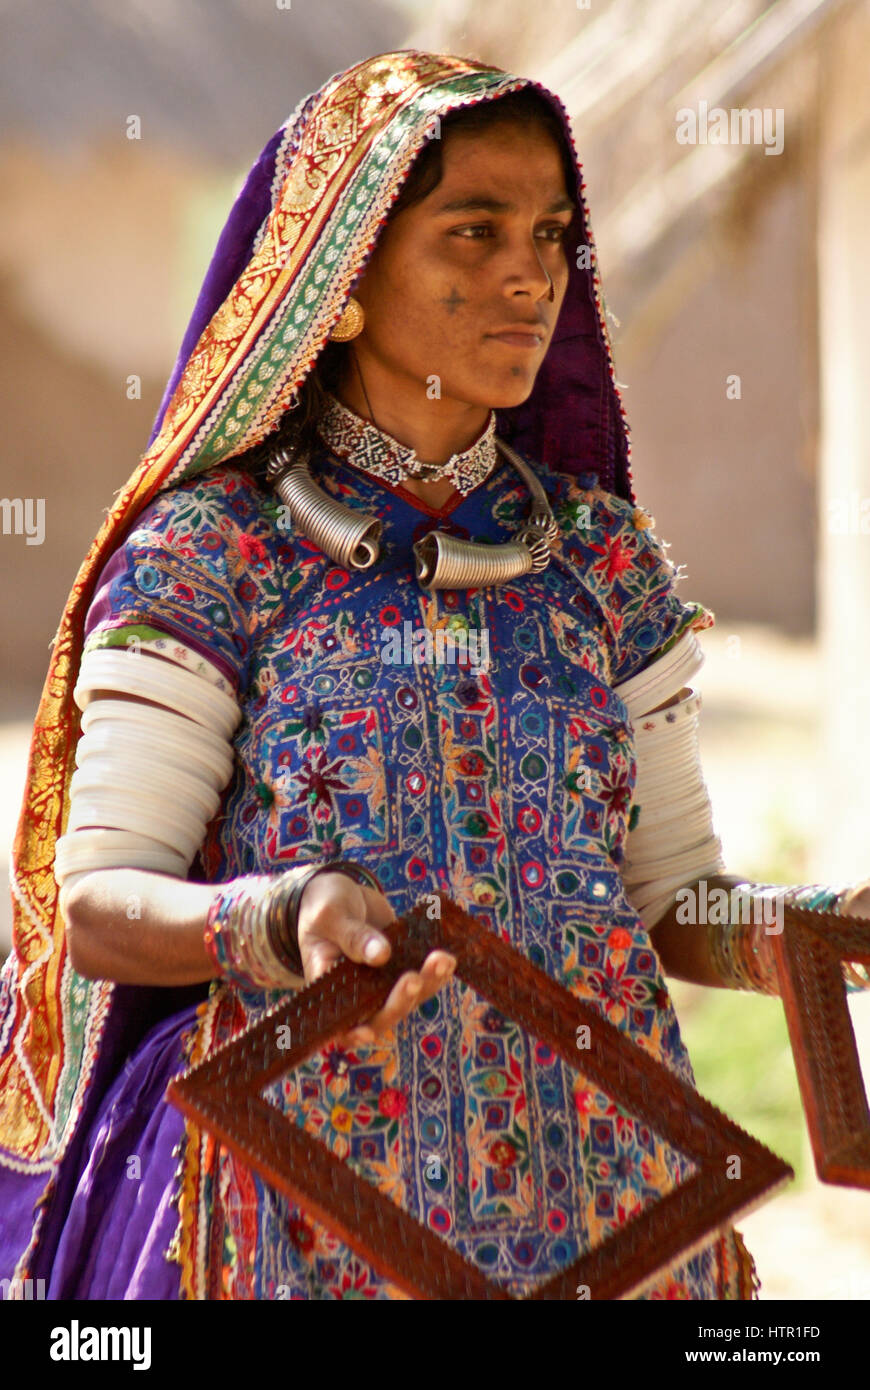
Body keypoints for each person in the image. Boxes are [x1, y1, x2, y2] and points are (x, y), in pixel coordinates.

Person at [1, 48, 868, 1301]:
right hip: (300, 1194)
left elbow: (674, 903)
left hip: (603, 1193)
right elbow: (98, 910)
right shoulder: (214, 557)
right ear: (340, 289)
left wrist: (813, 926)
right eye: (474, 231)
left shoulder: (601, 563)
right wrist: (280, 915)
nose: (532, 273)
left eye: (553, 234)